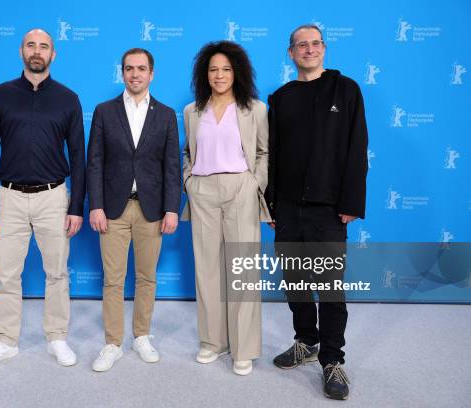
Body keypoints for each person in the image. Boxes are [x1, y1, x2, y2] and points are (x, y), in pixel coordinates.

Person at [267, 24, 368, 400]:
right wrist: (271, 203)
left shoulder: (347, 90)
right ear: (291, 53)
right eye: (301, 45)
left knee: (328, 287)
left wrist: (351, 203)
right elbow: (272, 156)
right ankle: (305, 342)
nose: (308, 50)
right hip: (288, 209)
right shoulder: (280, 98)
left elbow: (357, 146)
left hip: (328, 208)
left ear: (324, 49)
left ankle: (332, 359)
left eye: (315, 44)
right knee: (295, 283)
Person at [0, 28, 85, 369]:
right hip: (10, 198)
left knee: (57, 273)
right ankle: (6, 341)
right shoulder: (0, 95)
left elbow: (79, 156)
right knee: (8, 275)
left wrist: (76, 206)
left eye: (44, 47)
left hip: (54, 198)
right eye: (31, 45)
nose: (37, 51)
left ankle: (57, 338)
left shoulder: (68, 98)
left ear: (54, 54)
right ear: (21, 51)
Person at [87, 48, 181, 372]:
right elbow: (94, 162)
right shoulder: (104, 111)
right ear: (122, 73)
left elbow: (172, 166)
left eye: (142, 69)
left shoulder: (167, 115)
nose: (135, 74)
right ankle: (112, 343)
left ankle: (141, 335)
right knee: (113, 280)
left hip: (152, 210)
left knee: (147, 277)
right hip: (112, 209)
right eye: (129, 68)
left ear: (151, 74)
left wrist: (172, 209)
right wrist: (95, 205)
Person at [181, 41, 271, 376]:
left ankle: (243, 348)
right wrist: (189, 180)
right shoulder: (193, 111)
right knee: (207, 269)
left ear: (238, 72)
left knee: (243, 269)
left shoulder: (255, 109)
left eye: (226, 69)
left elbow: (264, 153)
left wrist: (254, 184)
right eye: (213, 69)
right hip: (202, 190)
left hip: (241, 189)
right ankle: (213, 342)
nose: (219, 75)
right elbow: (187, 153)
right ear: (205, 74)